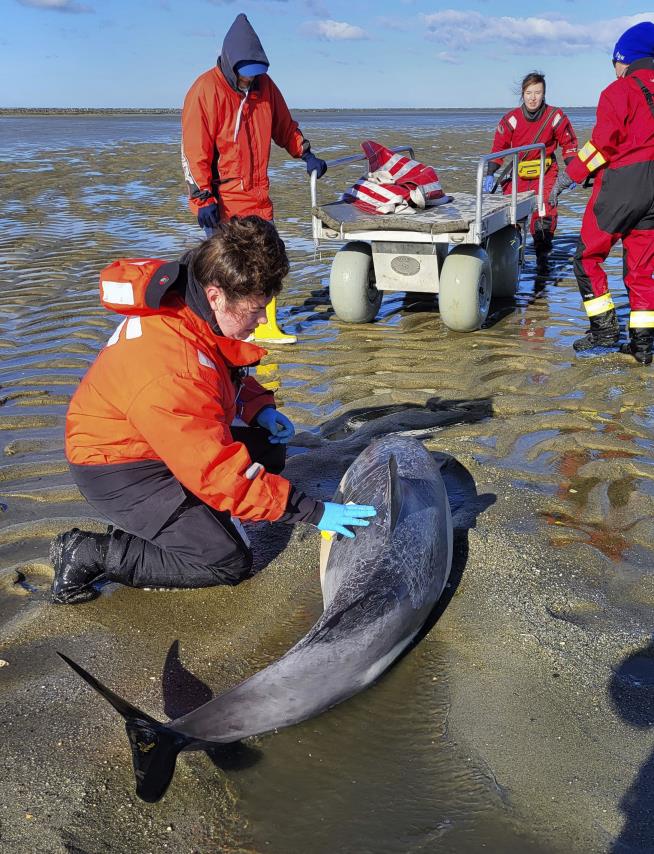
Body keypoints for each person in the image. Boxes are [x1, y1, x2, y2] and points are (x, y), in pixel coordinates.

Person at [50, 217, 375, 605]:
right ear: (217, 295)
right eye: (255, 311)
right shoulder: (172, 370)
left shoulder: (190, 299)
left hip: (156, 436)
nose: (260, 322)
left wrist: (256, 407)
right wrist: (313, 511)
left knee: (268, 449)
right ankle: (88, 553)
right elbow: (217, 470)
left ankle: (194, 512)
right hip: (116, 466)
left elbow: (219, 371)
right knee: (226, 560)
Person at [181, 13, 327, 344]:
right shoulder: (205, 91)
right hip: (223, 201)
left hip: (258, 196)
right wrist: (202, 198)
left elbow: (284, 126)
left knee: (269, 263)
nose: (250, 82)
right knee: (229, 272)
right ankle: (222, 332)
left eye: (255, 76)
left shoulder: (265, 88)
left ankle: (267, 328)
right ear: (231, 64)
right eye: (245, 76)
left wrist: (305, 153)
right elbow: (194, 153)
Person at [549, 22, 654, 365]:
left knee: (587, 256)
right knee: (640, 269)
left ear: (625, 59)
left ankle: (604, 330)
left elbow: (601, 146)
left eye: (615, 62)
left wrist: (570, 175)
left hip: (622, 184)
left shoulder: (618, 91)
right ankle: (642, 346)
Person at [483, 72, 579, 272]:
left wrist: (573, 171)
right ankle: (512, 259)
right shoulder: (511, 120)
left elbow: (569, 145)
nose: (533, 98)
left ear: (544, 94)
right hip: (518, 174)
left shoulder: (556, 117)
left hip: (546, 173)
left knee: (544, 212)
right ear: (522, 94)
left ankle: (543, 257)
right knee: (512, 218)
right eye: (529, 93)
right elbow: (499, 148)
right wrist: (490, 173)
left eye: (538, 92)